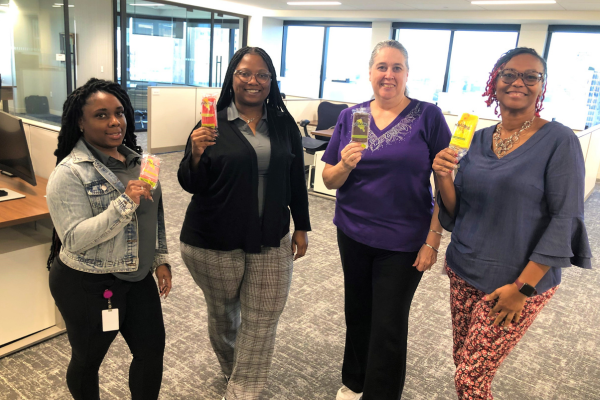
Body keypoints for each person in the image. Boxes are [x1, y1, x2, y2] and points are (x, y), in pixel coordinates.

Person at [433, 47, 592, 399]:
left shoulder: (559, 141)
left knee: (470, 381)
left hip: (515, 283)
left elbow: (566, 218)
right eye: (509, 74)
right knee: (464, 362)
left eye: (531, 76)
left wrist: (523, 288)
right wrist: (443, 177)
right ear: (495, 82)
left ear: (542, 86)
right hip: (464, 269)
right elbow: (458, 212)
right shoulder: (476, 139)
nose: (518, 82)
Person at [321, 40, 452, 400]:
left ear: (407, 74)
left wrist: (433, 239)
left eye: (397, 68)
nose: (389, 75)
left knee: (388, 325)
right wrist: (345, 165)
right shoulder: (353, 117)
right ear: (370, 73)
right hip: (353, 232)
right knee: (358, 312)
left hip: (404, 240)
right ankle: (354, 382)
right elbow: (329, 180)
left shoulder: (428, 116)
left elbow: (445, 181)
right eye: (382, 67)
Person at [178, 46, 311, 400]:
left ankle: (242, 391)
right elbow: (190, 184)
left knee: (262, 321)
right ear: (232, 78)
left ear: (271, 81)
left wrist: (301, 225)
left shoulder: (283, 124)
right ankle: (232, 372)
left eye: (262, 75)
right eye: (245, 73)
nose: (253, 81)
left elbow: (296, 177)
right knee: (224, 316)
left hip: (271, 238)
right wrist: (195, 154)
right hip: (214, 238)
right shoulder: (212, 124)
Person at [46, 78, 172, 400]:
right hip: (87, 281)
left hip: (137, 275)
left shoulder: (141, 163)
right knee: (89, 360)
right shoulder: (69, 173)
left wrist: (160, 259)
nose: (115, 122)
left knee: (151, 352)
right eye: (101, 115)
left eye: (119, 112)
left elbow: (153, 217)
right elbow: (73, 239)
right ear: (81, 122)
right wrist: (123, 203)